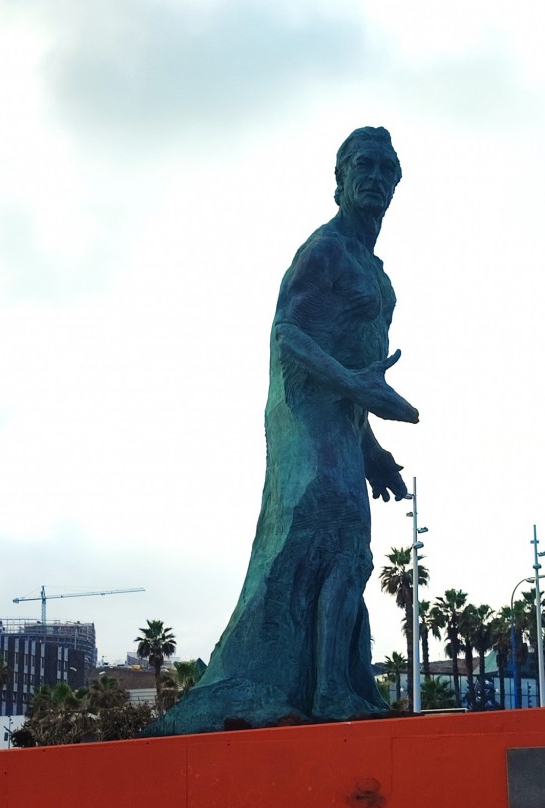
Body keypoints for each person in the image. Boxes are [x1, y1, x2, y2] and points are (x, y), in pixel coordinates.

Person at [145, 127, 418, 736]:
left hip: (340, 431)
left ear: (396, 185)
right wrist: (358, 387)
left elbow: (355, 376)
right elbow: (288, 335)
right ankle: (328, 691)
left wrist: (372, 451)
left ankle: (339, 687)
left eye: (386, 169)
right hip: (306, 429)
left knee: (344, 555)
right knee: (336, 549)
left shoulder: (378, 275)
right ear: (340, 179)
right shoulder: (325, 250)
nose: (375, 177)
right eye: (363, 166)